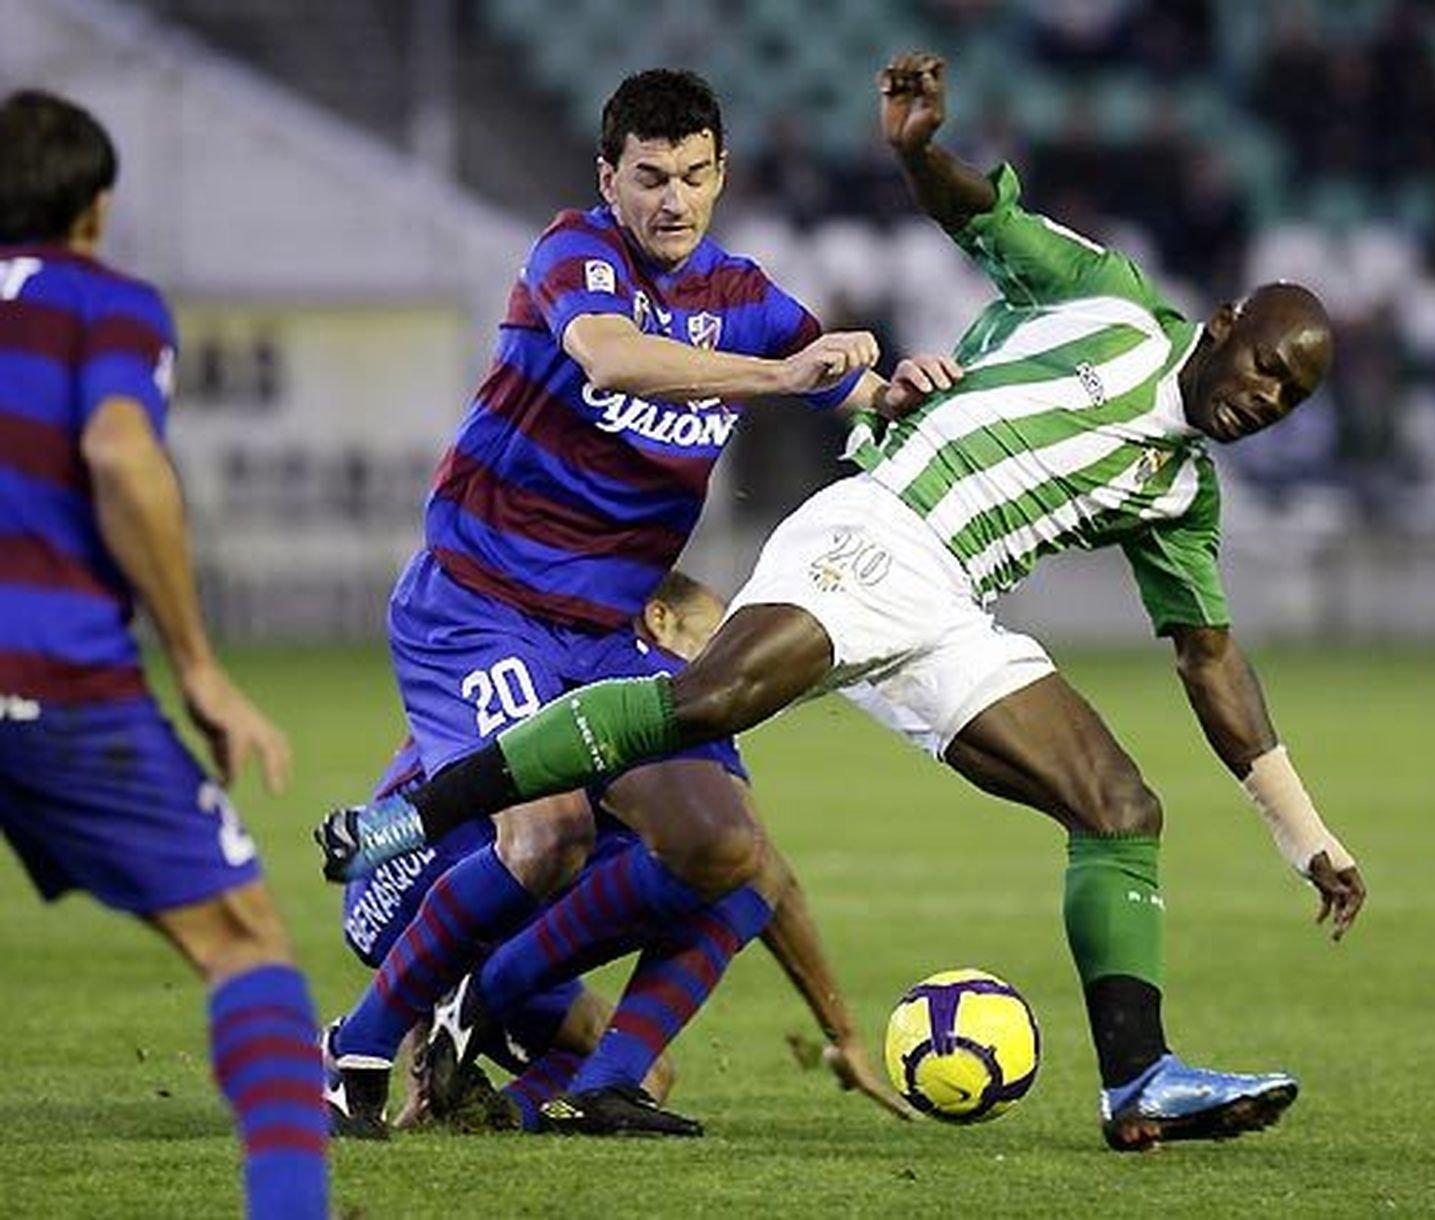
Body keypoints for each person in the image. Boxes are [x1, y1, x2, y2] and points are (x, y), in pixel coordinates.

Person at [321, 53, 1371, 1152]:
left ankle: (1137, 1078)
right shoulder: (1103, 303)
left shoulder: (1176, 491)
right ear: (1224, 322)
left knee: (1101, 806)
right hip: (672, 571)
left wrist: (1304, 835)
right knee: (619, 775)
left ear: (720, 175)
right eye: (1265, 367)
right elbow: (627, 353)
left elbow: (1210, 659)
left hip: (915, 609)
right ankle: (403, 869)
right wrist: (918, 154)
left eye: (1290, 396)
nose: (1267, 398)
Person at [316, 68, 958, 1138]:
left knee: (723, 844)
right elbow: (617, 358)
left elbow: (850, 386)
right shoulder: (573, 255)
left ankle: (517, 1031)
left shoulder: (743, 295)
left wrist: (899, 384)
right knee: (548, 831)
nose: (672, 200)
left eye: (694, 177)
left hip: (607, 638)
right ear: (607, 176)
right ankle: (362, 1043)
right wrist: (779, 376)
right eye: (650, 177)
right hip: (478, 606)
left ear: (721, 176)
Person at [0, 91, 327, 1213]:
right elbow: (121, 454)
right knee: (247, 941)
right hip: (49, 675)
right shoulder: (106, 304)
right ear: (96, 209)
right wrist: (197, 666)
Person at [337, 573, 908, 1137]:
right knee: (733, 872)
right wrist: (844, 1034)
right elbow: (766, 877)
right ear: (660, 619)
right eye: (718, 638)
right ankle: (494, 1012)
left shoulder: (549, 659)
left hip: (389, 902)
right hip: (480, 883)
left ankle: (491, 1104)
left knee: (654, 1070)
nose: (731, 662)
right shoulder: (654, 675)